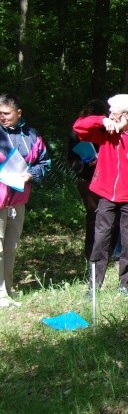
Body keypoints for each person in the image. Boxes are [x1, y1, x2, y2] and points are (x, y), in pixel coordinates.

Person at [73, 94, 128, 294]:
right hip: (106, 195)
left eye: (114, 114)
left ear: (127, 115)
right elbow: (79, 127)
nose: (111, 118)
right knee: (101, 239)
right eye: (109, 114)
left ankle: (125, 284)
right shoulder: (106, 131)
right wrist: (102, 120)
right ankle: (94, 285)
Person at [0, 94, 51, 308]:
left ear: (18, 113)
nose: (2, 117)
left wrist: (31, 174)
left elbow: (45, 162)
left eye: (6, 113)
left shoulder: (31, 135)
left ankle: (7, 289)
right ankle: (0, 294)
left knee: (10, 246)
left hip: (19, 199)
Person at [68, 99, 113, 274]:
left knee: (108, 216)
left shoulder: (106, 130)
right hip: (87, 179)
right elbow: (71, 159)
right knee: (93, 215)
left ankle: (106, 250)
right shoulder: (76, 132)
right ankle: (90, 252)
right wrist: (87, 163)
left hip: (106, 178)